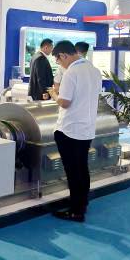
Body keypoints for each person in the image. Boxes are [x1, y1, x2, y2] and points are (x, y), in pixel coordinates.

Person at [48, 40, 101, 223]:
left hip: (69, 129)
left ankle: (76, 211)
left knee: (73, 171)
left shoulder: (71, 73)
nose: (59, 64)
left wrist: (53, 94)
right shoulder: (94, 70)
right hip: (87, 128)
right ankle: (82, 203)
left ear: (63, 55)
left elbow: (64, 102)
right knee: (82, 168)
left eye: (58, 60)